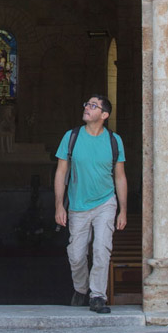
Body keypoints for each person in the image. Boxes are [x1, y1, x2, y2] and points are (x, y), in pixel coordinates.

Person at [54, 95, 127, 314]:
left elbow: (120, 176)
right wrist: (59, 204)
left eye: (93, 105)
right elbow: (61, 172)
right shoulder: (71, 137)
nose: (87, 107)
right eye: (86, 103)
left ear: (104, 115)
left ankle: (97, 296)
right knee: (76, 254)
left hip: (106, 202)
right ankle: (81, 288)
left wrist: (123, 210)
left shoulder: (114, 141)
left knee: (101, 249)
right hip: (78, 204)